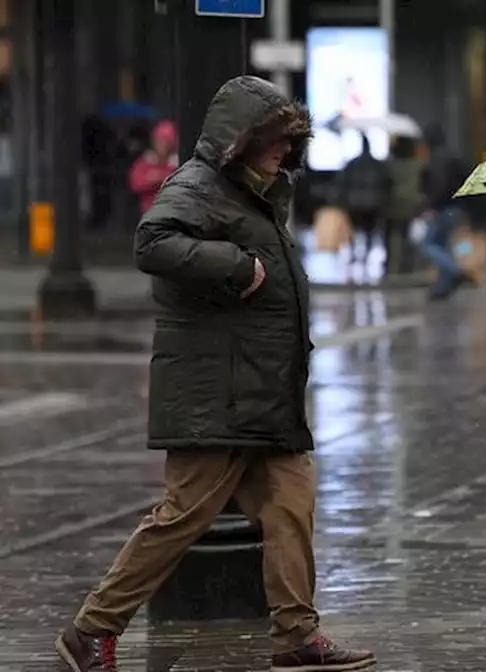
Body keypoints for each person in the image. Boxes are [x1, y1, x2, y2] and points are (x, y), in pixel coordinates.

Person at [53, 76, 376, 672]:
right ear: (241, 140)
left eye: (289, 139)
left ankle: (297, 636)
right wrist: (232, 265)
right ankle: (91, 629)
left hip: (261, 391)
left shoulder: (259, 192)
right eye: (273, 138)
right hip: (217, 390)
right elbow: (153, 242)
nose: (283, 149)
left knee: (290, 505)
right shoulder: (199, 185)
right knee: (184, 518)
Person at [420, 124, 469, 300]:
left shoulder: (437, 159)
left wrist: (430, 206)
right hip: (456, 208)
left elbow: (440, 187)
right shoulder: (451, 157)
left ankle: (454, 271)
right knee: (443, 244)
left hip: (444, 209)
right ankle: (442, 287)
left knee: (428, 244)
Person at [332, 133, 392, 270]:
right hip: (373, 204)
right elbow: (387, 183)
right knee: (369, 232)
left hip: (355, 203)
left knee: (354, 230)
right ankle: (365, 256)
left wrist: (341, 200)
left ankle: (354, 254)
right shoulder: (378, 165)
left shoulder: (353, 164)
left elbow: (342, 183)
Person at [386, 135, 427, 275]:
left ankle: (393, 266)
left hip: (394, 204)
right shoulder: (418, 165)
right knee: (410, 236)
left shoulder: (391, 165)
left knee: (394, 236)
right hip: (413, 204)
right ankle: (409, 266)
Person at [128, 119, 179, 214]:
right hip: (148, 212)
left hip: (171, 212)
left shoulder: (177, 163)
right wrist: (156, 179)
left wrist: (156, 177)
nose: (160, 145)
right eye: (158, 141)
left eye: (164, 142)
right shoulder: (146, 161)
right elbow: (135, 184)